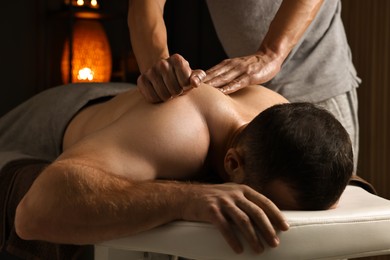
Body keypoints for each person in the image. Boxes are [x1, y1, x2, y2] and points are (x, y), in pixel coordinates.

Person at [0, 81, 353, 256]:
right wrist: (187, 198)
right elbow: (33, 214)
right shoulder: (182, 134)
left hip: (131, 113)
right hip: (56, 117)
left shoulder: (285, 132)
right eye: (260, 201)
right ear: (232, 164)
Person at [127, 0, 361, 172]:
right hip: (246, 95)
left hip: (315, 77)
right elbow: (144, 5)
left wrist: (271, 53)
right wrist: (156, 69)